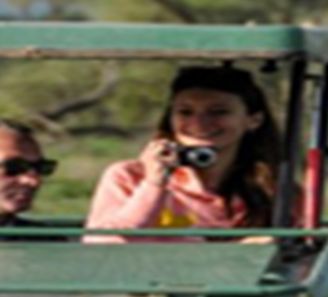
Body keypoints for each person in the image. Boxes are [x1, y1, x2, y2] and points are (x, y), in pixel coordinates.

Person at [83, 66, 289, 243]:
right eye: (185, 112)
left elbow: (299, 256)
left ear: (254, 120)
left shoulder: (273, 186)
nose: (199, 124)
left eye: (219, 112)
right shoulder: (129, 176)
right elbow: (104, 245)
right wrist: (154, 184)